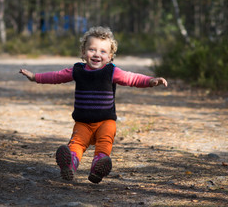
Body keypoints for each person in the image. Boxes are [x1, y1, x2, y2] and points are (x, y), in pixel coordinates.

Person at [19, 26, 168, 184]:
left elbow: (132, 78)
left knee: (105, 142)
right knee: (76, 144)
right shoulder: (77, 70)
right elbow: (56, 76)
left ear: (110, 56)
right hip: (83, 122)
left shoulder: (112, 71)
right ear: (83, 52)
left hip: (105, 121)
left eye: (103, 52)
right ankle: (69, 165)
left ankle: (98, 167)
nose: (97, 54)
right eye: (92, 50)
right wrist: (35, 77)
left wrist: (150, 81)